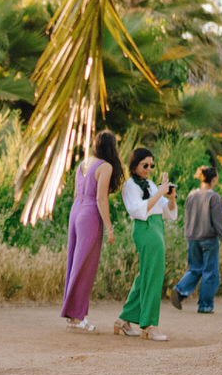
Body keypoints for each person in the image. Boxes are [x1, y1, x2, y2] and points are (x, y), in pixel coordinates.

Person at [61, 131, 122, 332]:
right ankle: (77, 317)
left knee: (74, 262)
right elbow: (101, 199)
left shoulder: (83, 163)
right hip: (89, 214)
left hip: (76, 210)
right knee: (86, 266)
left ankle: (73, 315)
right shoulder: (105, 166)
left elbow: (76, 192)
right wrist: (110, 229)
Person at [115, 147, 177, 340]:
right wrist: (160, 192)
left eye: (151, 165)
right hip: (145, 228)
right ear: (134, 165)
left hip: (157, 227)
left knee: (147, 275)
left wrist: (171, 196)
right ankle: (149, 324)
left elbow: (166, 210)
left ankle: (124, 319)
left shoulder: (149, 184)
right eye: (145, 165)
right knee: (154, 275)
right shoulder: (130, 186)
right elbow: (139, 209)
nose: (149, 169)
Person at [171, 164, 222, 313]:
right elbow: (218, 222)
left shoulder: (191, 195)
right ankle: (205, 305)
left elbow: (187, 217)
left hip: (192, 237)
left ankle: (180, 290)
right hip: (209, 238)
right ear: (214, 180)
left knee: (195, 269)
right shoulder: (214, 197)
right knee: (210, 272)